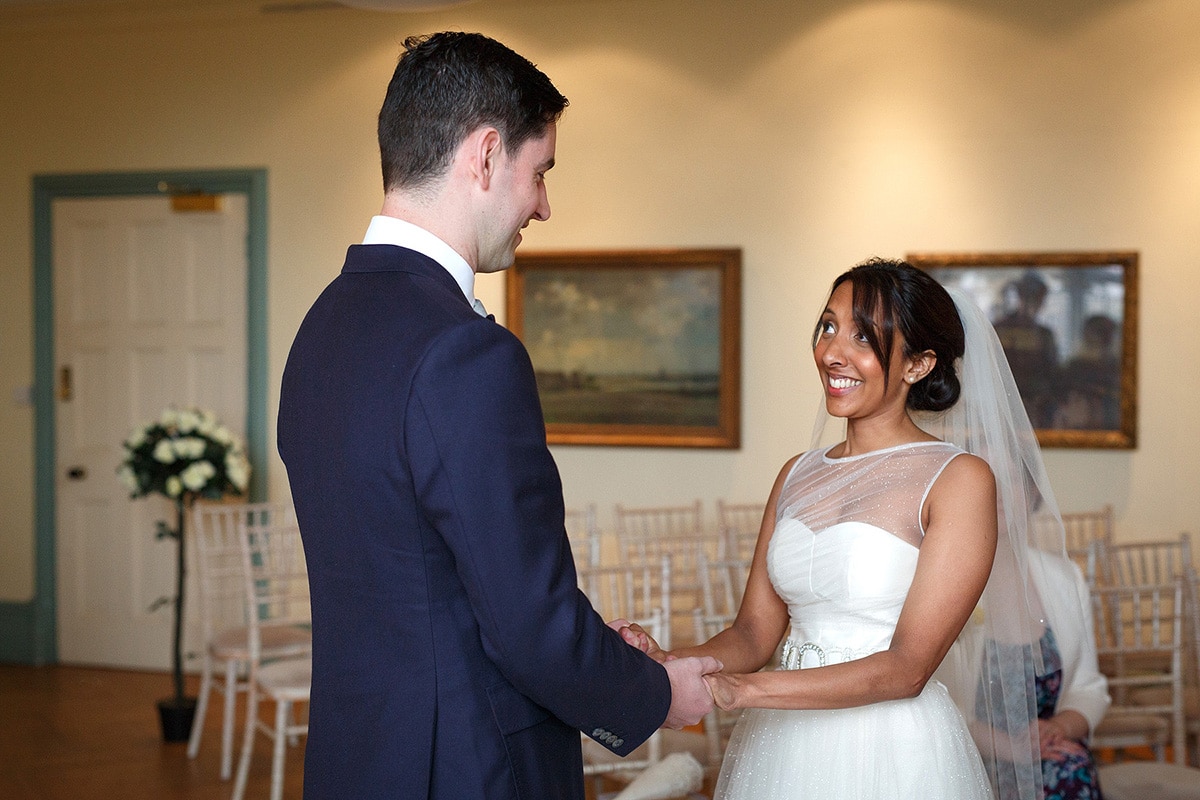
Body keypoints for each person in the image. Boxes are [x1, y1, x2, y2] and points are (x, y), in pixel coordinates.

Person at [277, 32, 718, 800]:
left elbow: (430, 575)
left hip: (357, 759)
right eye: (539, 171)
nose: (544, 205)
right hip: (467, 767)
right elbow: (526, 621)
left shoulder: (322, 326)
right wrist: (658, 692)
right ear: (484, 155)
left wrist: (598, 652)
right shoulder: (465, 352)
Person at [635, 258, 1053, 800]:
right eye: (828, 326)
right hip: (783, 744)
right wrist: (673, 663)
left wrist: (742, 690)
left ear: (919, 364)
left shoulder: (958, 480)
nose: (832, 352)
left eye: (863, 336)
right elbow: (754, 633)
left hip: (893, 751)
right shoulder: (796, 472)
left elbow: (907, 668)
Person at [992, 270, 1060, 428]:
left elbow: (1052, 372)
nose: (1034, 304)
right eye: (1029, 297)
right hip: (1003, 404)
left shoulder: (1044, 334)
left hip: (1038, 406)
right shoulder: (1000, 328)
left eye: (1037, 299)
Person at [1054, 314, 1120, 430]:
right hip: (1078, 424)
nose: (1099, 340)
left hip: (1110, 424)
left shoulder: (1115, 366)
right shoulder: (1074, 367)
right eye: (1097, 333)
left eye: (1105, 334)